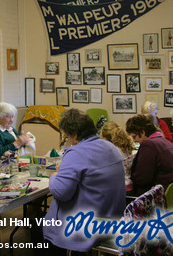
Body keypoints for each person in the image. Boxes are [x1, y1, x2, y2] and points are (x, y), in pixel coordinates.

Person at [42, 108, 125, 254]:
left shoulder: (76, 152)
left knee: (40, 226)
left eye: (67, 136)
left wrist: (54, 176)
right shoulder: (110, 146)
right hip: (111, 217)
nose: (67, 140)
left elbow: (61, 193)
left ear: (74, 135)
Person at [126, 114, 173, 196]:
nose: (134, 141)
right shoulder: (164, 141)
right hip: (169, 192)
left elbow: (141, 179)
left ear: (143, 132)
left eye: (134, 137)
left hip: (156, 195)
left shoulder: (149, 145)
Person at [100, 121, 136, 192]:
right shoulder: (125, 146)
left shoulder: (111, 151)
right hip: (130, 184)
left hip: (119, 188)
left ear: (104, 138)